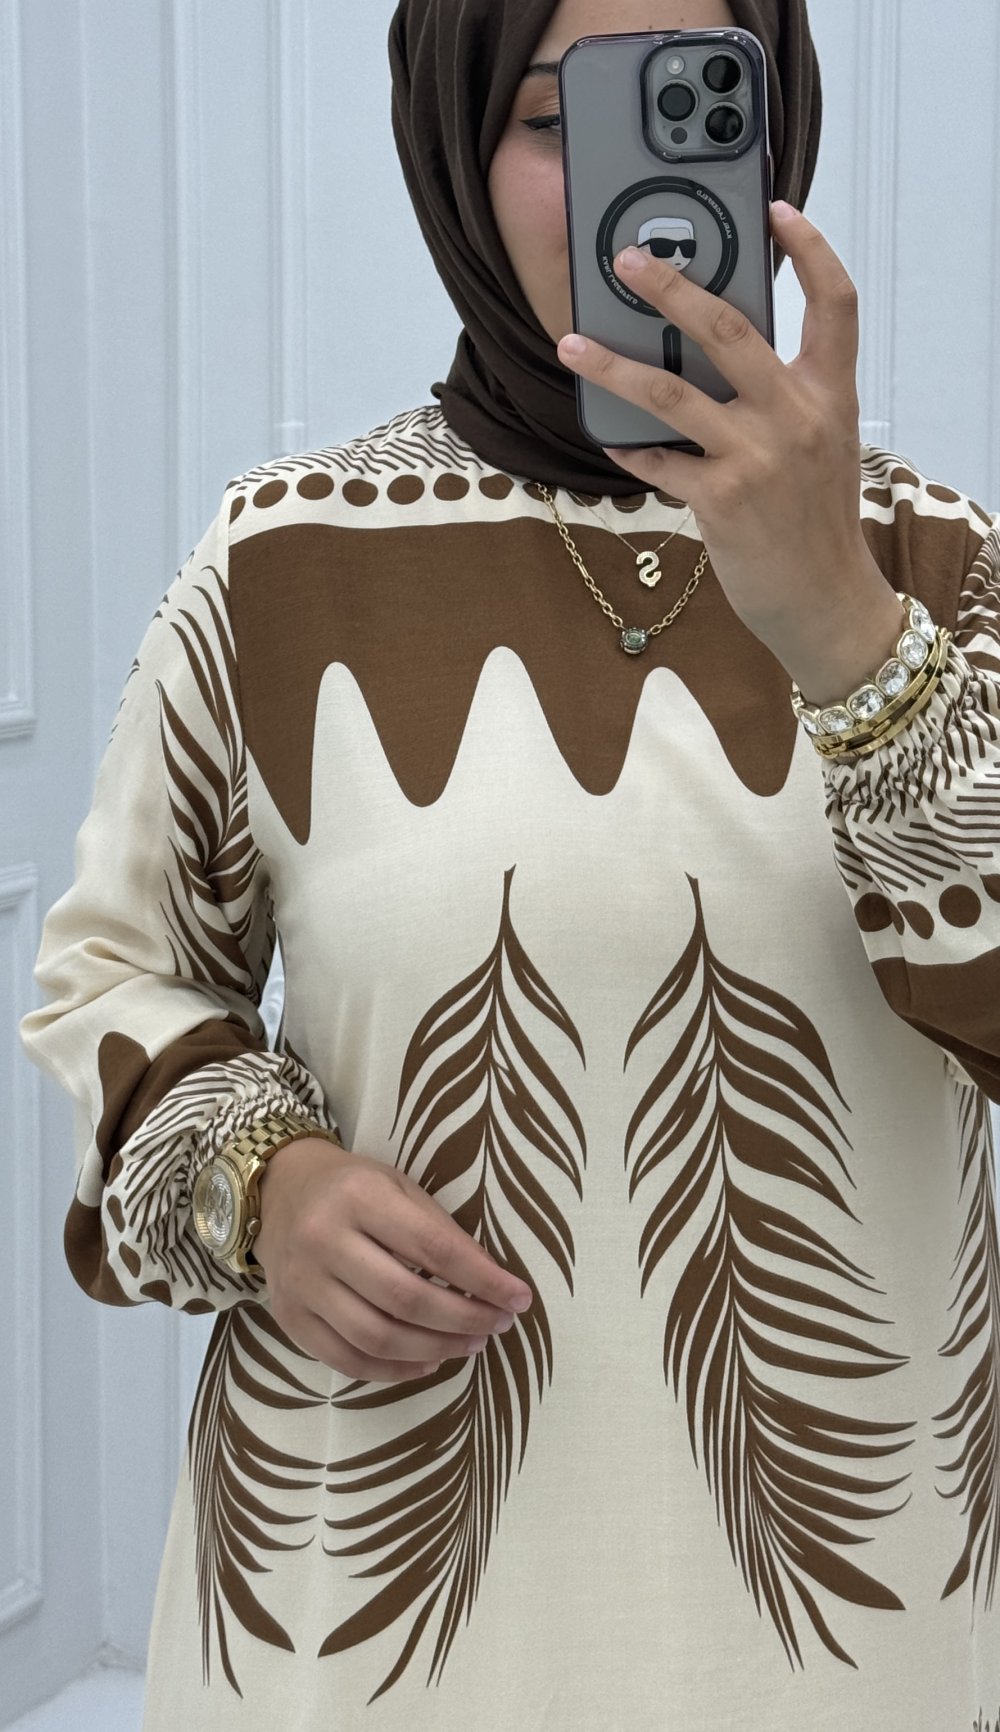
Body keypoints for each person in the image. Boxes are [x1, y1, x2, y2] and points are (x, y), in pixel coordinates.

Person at [20, 0, 1000, 1725]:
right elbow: (119, 969)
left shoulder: (932, 558)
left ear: (781, 138)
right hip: (372, 1596)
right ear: (452, 151)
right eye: (560, 119)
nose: (644, 195)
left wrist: (849, 635)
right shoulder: (287, 558)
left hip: (844, 1616)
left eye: (705, 107)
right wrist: (265, 1186)